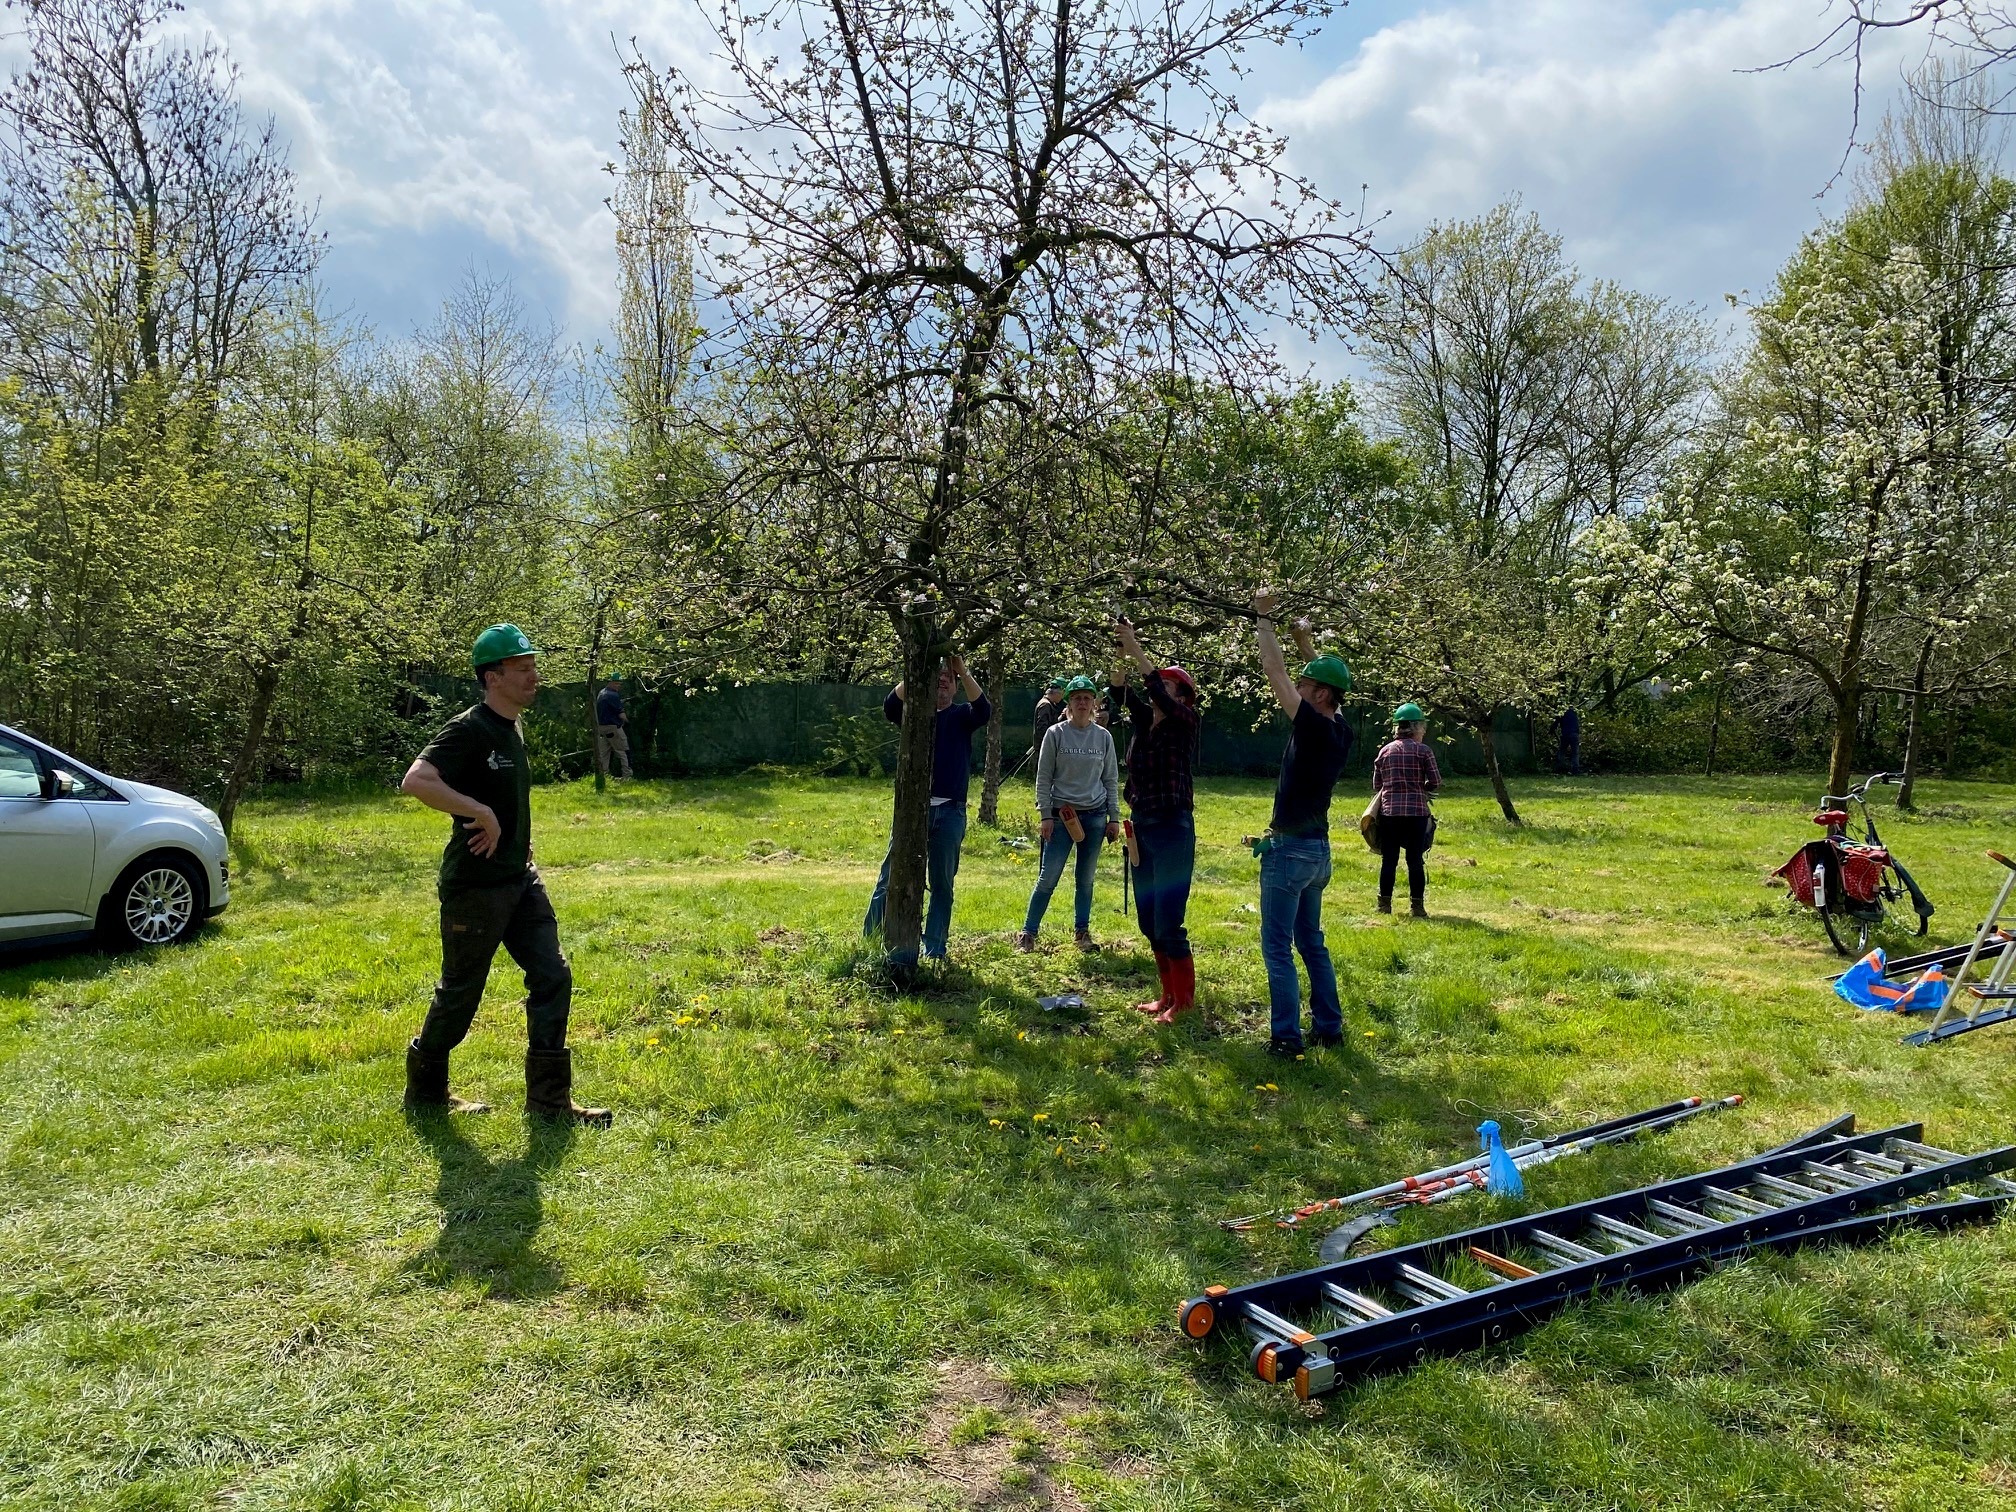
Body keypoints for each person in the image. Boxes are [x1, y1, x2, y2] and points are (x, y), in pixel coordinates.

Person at [399, 624, 611, 1125]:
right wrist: (481, 812)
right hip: (475, 886)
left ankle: (549, 1104)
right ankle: (425, 1093)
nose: (534, 676)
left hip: (520, 879)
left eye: (533, 666)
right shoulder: (469, 729)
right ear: (493, 677)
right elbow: (417, 780)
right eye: (523, 669)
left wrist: (515, 833)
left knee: (552, 975)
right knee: (462, 991)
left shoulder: (512, 725)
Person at [1252, 590, 1355, 1058]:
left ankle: (1286, 1038)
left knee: (1277, 948)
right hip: (1318, 854)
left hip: (1290, 853)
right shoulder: (1339, 729)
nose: (1299, 685)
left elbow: (1275, 674)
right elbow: (1328, 681)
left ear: (1319, 695)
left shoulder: (1311, 725)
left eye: (1307, 684)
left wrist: (1264, 619)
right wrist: (1306, 642)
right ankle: (1329, 1028)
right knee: (1311, 942)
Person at [863, 654, 990, 961]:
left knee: (942, 884)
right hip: (913, 811)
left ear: (956, 687)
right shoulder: (915, 713)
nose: (943, 679)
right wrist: (920, 666)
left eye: (949, 677)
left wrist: (962, 670)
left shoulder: (961, 715)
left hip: (950, 812)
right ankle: (870, 942)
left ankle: (934, 951)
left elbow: (984, 710)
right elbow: (889, 705)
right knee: (890, 877)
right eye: (937, 676)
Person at [1112, 617, 1202, 1024]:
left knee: (1169, 919)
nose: (1157, 691)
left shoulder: (1185, 722)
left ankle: (1183, 1003)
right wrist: (1120, 648)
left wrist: (1136, 646)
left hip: (1173, 828)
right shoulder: (1145, 725)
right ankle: (1166, 995)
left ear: (1183, 697)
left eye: (1166, 685)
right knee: (1149, 919)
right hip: (1143, 827)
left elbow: (1155, 693)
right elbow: (1119, 689)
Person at [1016, 675, 1121, 953]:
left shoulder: (1103, 737)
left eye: (1088, 698)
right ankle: (1028, 933)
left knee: (1085, 879)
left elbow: (1111, 779)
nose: (1083, 703)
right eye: (1077, 698)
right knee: (1047, 877)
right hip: (1062, 816)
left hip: (1095, 816)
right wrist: (1045, 816)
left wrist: (1114, 819)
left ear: (1094, 704)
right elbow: (1044, 777)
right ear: (1069, 704)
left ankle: (1082, 933)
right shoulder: (1056, 733)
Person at [1373, 702, 1442, 918]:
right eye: (1423, 726)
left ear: (1398, 728)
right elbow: (1435, 781)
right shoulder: (1424, 751)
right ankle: (1417, 907)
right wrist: (1423, 789)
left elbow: (1377, 785)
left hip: (1389, 813)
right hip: (1417, 814)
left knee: (1389, 860)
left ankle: (1384, 905)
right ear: (1416, 727)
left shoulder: (1384, 751)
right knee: (1414, 861)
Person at [594, 676, 632, 780]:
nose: (618, 686)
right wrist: (628, 721)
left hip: (601, 727)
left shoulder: (601, 693)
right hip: (613, 728)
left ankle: (604, 776)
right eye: (616, 683)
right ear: (610, 683)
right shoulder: (613, 695)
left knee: (604, 753)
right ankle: (627, 775)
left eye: (619, 684)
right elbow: (621, 715)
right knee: (622, 751)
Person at [1027, 676, 1069, 764]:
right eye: (1062, 694)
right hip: (1044, 748)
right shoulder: (1045, 705)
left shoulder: (1048, 704)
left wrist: (1062, 716)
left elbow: (1051, 724)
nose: (1062, 698)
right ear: (1057, 692)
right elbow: (1042, 728)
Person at [1554, 704, 1582, 776]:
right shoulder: (1574, 713)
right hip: (1574, 734)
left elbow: (1555, 723)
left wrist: (1551, 730)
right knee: (1575, 753)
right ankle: (1575, 770)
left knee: (1562, 751)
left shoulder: (1561, 713)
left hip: (1566, 734)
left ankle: (1559, 769)